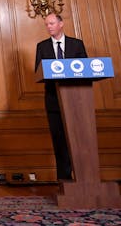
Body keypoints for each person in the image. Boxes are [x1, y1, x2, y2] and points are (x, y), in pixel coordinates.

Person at [34, 13, 87, 181]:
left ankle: (84, 177)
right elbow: (38, 72)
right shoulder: (42, 46)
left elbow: (85, 69)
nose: (49, 27)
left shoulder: (76, 44)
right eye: (46, 24)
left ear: (61, 24)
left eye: (51, 23)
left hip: (76, 100)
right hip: (54, 100)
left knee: (79, 139)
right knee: (59, 140)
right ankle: (64, 180)